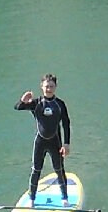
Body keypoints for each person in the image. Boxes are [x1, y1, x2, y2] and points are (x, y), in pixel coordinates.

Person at [16, 73, 72, 201]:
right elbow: (18, 107)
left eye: (51, 86)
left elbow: (66, 124)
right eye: (47, 86)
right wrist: (23, 100)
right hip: (40, 142)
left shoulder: (60, 104)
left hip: (55, 142)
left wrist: (66, 144)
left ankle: (65, 198)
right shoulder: (36, 103)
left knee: (59, 169)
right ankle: (32, 199)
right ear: (41, 86)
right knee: (36, 170)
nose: (49, 89)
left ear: (56, 87)